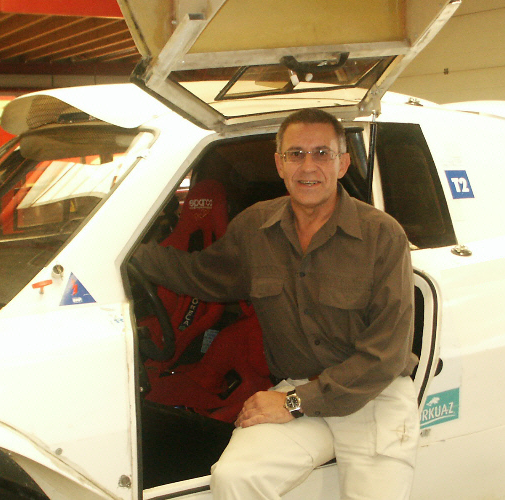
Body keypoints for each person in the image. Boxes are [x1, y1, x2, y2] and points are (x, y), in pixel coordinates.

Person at [135, 108, 419, 499]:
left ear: (342, 163)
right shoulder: (256, 227)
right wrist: (123, 254)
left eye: (322, 153)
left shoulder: (382, 235)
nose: (308, 166)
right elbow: (201, 275)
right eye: (295, 154)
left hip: (372, 395)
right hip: (300, 390)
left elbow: (385, 356)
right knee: (235, 478)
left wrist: (295, 402)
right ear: (279, 164)